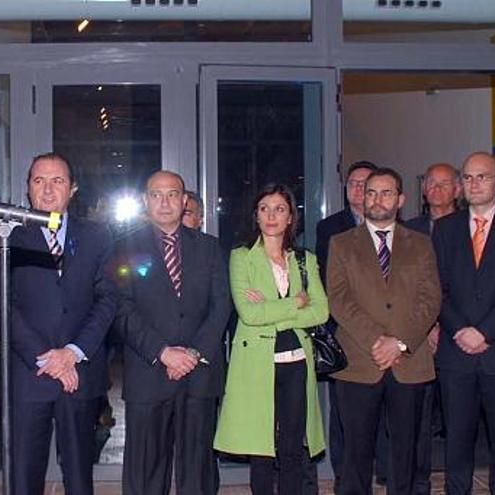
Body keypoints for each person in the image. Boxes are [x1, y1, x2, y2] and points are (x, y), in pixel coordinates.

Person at [0, 152, 117, 495]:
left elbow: (107, 300)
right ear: (27, 188)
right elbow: (1, 305)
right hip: (30, 374)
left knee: (79, 476)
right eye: (38, 181)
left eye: (57, 180)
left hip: (80, 374)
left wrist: (73, 353)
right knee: (23, 476)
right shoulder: (8, 238)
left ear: (72, 188)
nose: (47, 190)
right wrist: (48, 358)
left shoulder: (97, 237)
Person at [113, 170, 230, 495]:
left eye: (172, 194)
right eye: (156, 194)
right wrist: (163, 352)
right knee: (145, 472)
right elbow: (121, 307)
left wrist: (192, 353)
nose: (164, 202)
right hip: (148, 370)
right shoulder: (125, 246)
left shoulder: (209, 248)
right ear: (145, 202)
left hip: (199, 374)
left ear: (184, 201)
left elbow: (222, 305)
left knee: (198, 470)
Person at [327, 167, 441, 495]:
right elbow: (339, 298)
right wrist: (377, 341)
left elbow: (430, 299)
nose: (377, 199)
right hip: (360, 361)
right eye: (371, 192)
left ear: (401, 200)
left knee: (405, 451)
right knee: (356, 451)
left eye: (386, 192)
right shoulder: (341, 244)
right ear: (363, 197)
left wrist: (400, 342)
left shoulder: (420, 244)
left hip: (409, 361)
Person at [432, 152, 495, 495]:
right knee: (457, 440)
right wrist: (461, 330)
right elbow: (437, 287)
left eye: (483, 177)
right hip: (455, 351)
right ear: (461, 185)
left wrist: (484, 332)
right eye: (468, 177)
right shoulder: (444, 229)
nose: (474, 184)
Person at [214, 183, 328, 495]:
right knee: (261, 448)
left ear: (291, 216)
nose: (271, 216)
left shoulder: (305, 260)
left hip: (297, 364)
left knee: (291, 448)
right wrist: (294, 304)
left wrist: (270, 309)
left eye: (279, 209)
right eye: (264, 209)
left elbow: (321, 312)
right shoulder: (241, 257)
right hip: (256, 363)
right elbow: (248, 315)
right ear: (256, 215)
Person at [390, 162, 461, 493]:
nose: (436, 189)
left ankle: (457, 480)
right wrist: (424, 328)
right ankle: (418, 483)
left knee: (457, 416)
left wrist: (444, 325)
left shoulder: (469, 228)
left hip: (457, 334)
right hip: (417, 336)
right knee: (417, 417)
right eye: (430, 183)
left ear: (457, 190)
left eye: (444, 183)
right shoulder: (408, 230)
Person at [313, 160, 377, 485]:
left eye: (364, 183)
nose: (357, 189)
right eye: (352, 183)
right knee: (344, 410)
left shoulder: (393, 224)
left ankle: (380, 471)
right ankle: (344, 474)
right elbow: (327, 281)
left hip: (385, 331)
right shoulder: (329, 227)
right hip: (345, 328)